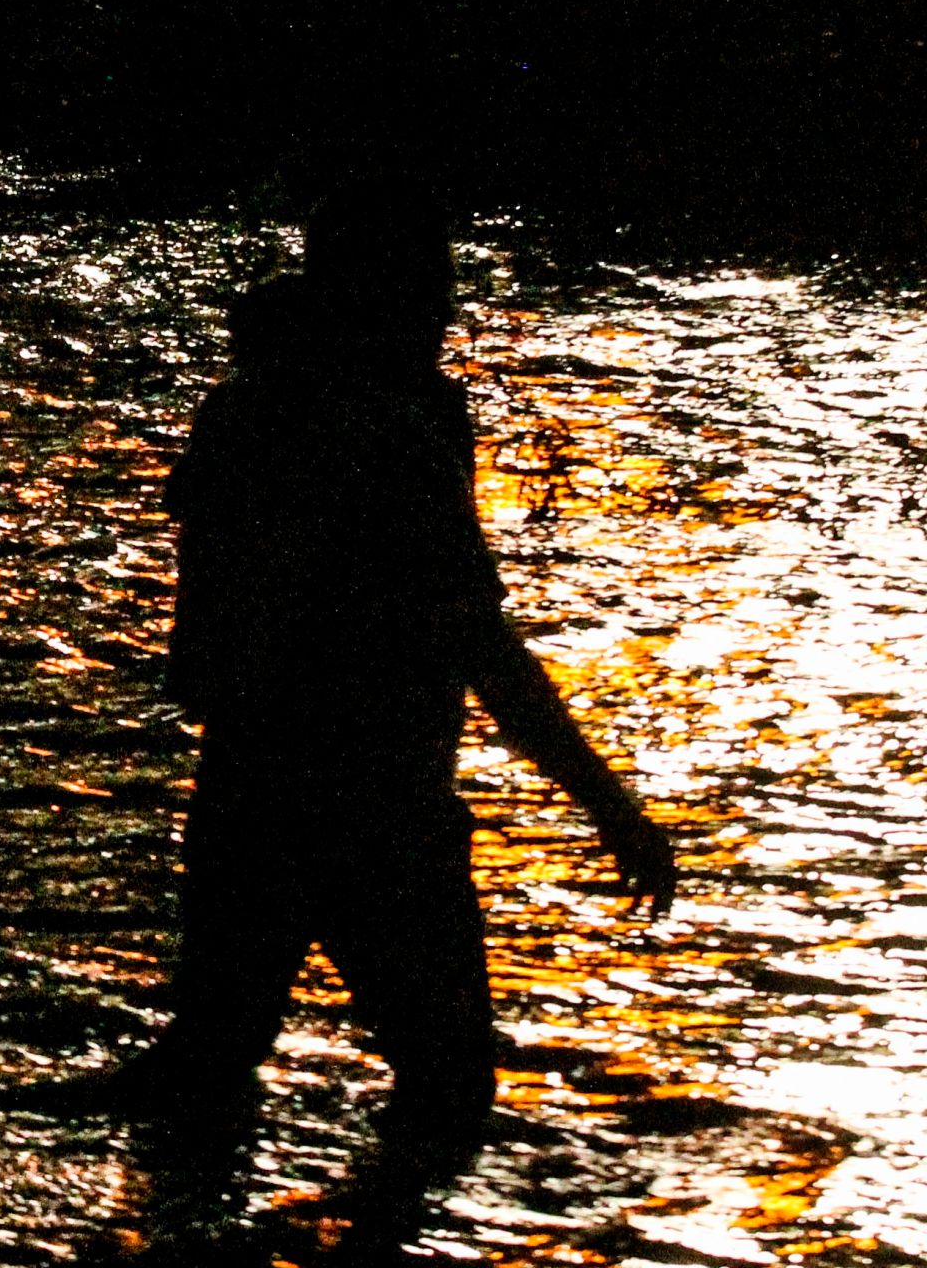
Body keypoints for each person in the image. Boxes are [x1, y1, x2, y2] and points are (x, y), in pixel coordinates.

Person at [133, 178, 680, 1245]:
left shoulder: (250, 403)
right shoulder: (401, 429)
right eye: (430, 290)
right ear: (386, 296)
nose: (445, 313)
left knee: (203, 1080)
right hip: (377, 797)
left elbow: (205, 631)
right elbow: (477, 641)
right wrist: (607, 804)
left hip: (249, 779)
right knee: (444, 1090)